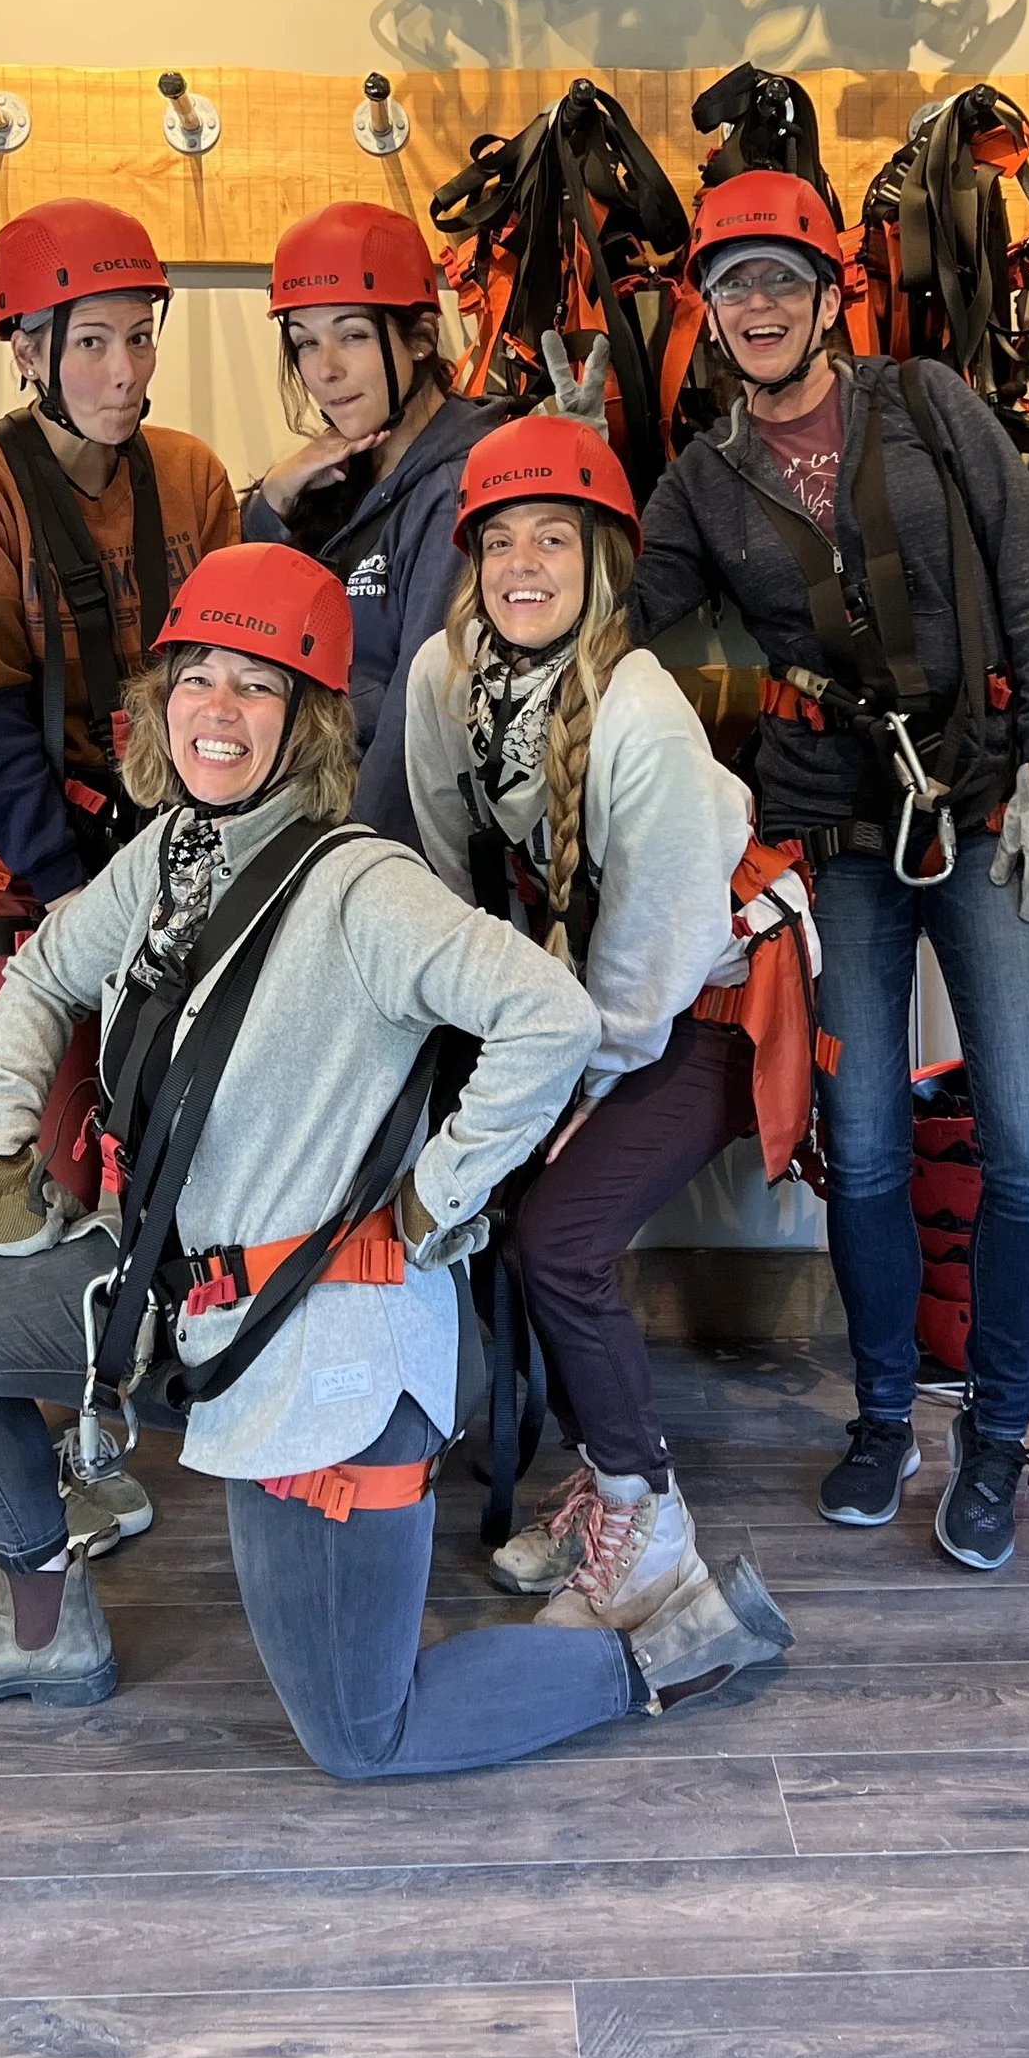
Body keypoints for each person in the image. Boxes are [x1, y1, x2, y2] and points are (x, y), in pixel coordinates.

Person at [0, 541, 792, 1770]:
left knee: (364, 1735)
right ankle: (43, 1627)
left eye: (256, 686)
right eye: (195, 677)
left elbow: (554, 1015)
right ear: (160, 705)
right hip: (173, 1292)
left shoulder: (362, 886)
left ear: (303, 724)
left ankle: (666, 1648)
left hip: (322, 1351)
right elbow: (42, 969)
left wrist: (431, 1204)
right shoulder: (168, 859)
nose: (218, 709)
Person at [629, 171, 1029, 1572]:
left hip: (988, 800)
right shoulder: (703, 481)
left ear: (831, 293)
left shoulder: (930, 405)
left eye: (782, 277)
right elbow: (629, 632)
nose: (758, 304)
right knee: (871, 1145)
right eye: (733, 284)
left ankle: (999, 1435)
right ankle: (886, 1418)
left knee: (1022, 1143)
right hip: (833, 831)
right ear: (706, 312)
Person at [407, 414, 781, 1631]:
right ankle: (603, 1475)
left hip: (710, 999)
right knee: (521, 1219)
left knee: (558, 1236)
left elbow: (655, 957)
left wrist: (563, 1091)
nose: (522, 564)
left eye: (552, 539)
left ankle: (652, 1528)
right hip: (580, 1001)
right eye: (499, 540)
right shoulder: (442, 678)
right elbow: (444, 875)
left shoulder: (641, 715)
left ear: (601, 561)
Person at [0, 198, 236, 1559]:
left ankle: (98, 1413)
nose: (120, 371)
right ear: (30, 347)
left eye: (139, 339)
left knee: (144, 1152)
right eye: (90, 341)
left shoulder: (195, 479)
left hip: (158, 862)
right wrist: (83, 907)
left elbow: (224, 695)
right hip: (14, 871)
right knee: (25, 1163)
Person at [239, 203, 498, 846]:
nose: (325, 370)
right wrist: (271, 500)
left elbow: (423, 712)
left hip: (381, 845)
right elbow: (258, 636)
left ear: (418, 337)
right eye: (305, 341)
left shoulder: (455, 488)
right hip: (310, 812)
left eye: (351, 334)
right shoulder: (342, 473)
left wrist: (354, 865)